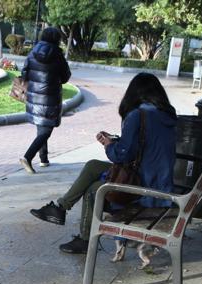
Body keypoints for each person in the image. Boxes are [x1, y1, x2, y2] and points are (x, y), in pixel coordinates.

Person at [29, 72, 177, 255]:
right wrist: (115, 140)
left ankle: (84, 240)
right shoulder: (166, 115)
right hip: (160, 183)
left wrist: (109, 145)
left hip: (143, 187)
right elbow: (143, 147)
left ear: (134, 93)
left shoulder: (138, 114)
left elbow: (122, 155)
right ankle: (60, 208)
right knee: (92, 165)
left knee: (93, 190)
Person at [19, 27, 71, 174]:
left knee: (42, 126)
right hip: (50, 97)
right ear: (57, 39)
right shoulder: (58, 55)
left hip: (34, 96)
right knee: (46, 130)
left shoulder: (33, 52)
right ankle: (27, 157)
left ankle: (44, 159)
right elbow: (66, 77)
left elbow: (24, 72)